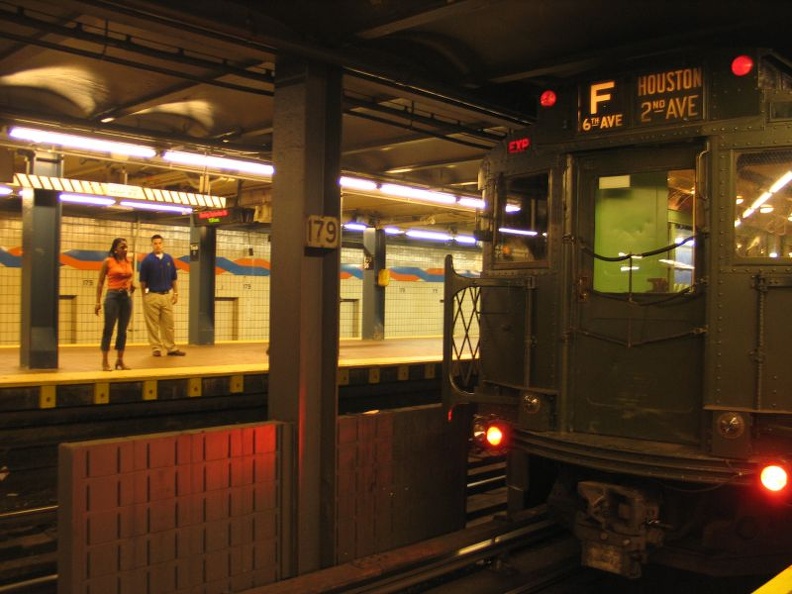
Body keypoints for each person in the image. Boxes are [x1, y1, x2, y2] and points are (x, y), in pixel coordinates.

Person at [139, 234, 185, 357]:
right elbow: (142, 281)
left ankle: (171, 348)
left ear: (163, 244)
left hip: (166, 295)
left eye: (159, 243)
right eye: (155, 243)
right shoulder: (147, 261)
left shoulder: (169, 259)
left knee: (169, 324)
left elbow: (173, 278)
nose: (158, 245)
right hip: (152, 295)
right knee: (152, 324)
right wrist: (144, 296)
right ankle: (156, 348)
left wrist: (175, 293)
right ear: (152, 245)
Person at [95, 238, 136, 371]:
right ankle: (104, 361)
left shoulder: (129, 262)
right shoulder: (108, 262)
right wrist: (98, 302)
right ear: (115, 249)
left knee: (122, 331)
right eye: (122, 247)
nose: (125, 250)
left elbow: (130, 278)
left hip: (126, 297)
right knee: (108, 329)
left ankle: (120, 360)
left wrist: (132, 285)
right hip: (112, 296)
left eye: (126, 247)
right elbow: (100, 282)